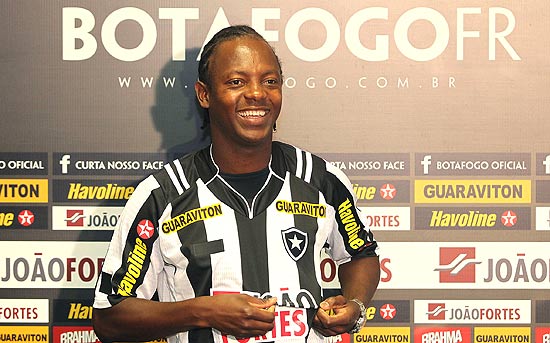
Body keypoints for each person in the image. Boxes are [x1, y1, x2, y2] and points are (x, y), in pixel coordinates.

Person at [92, 25, 380, 343]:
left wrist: (355, 305)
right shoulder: (162, 196)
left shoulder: (321, 180)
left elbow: (360, 254)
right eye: (236, 82)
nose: (257, 93)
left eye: (270, 81)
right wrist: (204, 312)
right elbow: (109, 318)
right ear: (205, 94)